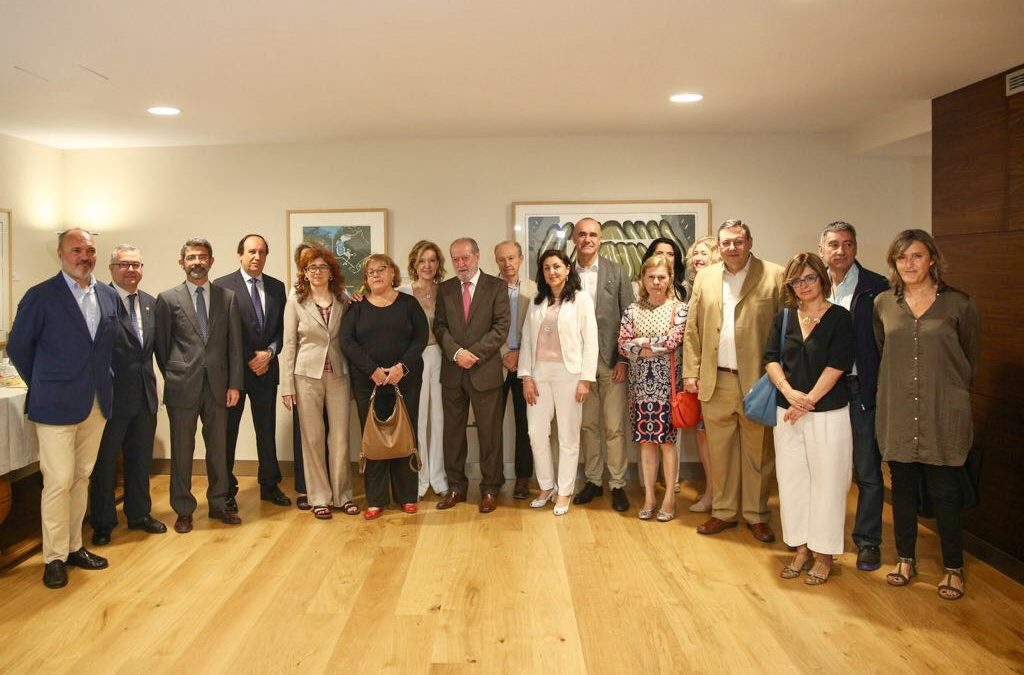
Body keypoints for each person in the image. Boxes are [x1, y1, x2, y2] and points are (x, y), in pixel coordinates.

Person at [7, 228, 119, 588]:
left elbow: (105, 349)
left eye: (89, 250)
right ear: (60, 254)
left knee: (81, 477)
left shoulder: (106, 295)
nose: (84, 256)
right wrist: (45, 381)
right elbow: (19, 349)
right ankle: (53, 557)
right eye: (76, 250)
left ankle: (74, 546)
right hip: (54, 404)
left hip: (96, 403)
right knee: (57, 481)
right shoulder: (40, 296)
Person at [874, 229, 980, 601]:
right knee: (901, 487)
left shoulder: (959, 305)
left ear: (932, 259)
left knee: (946, 491)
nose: (909, 264)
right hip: (899, 409)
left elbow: (969, 358)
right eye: (901, 258)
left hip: (943, 412)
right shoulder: (884, 304)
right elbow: (883, 349)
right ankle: (905, 559)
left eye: (917, 256)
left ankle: (953, 567)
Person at [682, 219, 785, 543]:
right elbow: (694, 329)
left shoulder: (774, 276)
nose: (731, 248)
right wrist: (691, 371)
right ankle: (724, 511)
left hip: (757, 381)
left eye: (738, 242)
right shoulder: (706, 276)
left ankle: (756, 515)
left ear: (750, 242)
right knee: (720, 451)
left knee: (759, 453)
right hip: (717, 380)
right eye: (726, 242)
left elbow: (785, 329)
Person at [765, 252, 854, 585]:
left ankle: (825, 553)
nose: (803, 285)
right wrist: (789, 393)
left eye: (809, 278)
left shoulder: (840, 318)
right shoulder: (784, 318)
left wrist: (808, 400)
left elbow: (838, 364)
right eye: (796, 280)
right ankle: (801, 548)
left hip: (828, 412)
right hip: (786, 412)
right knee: (791, 483)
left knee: (828, 484)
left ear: (822, 278)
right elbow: (771, 359)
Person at [154, 238, 244, 534]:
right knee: (182, 449)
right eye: (191, 257)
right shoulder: (168, 299)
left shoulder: (227, 297)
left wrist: (234, 384)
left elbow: (235, 346)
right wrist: (176, 375)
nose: (197, 262)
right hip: (183, 386)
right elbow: (162, 346)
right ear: (182, 262)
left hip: (219, 386)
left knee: (218, 449)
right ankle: (183, 509)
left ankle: (219, 504)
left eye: (202, 257)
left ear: (211, 261)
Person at [818, 221, 889, 571]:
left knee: (867, 471)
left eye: (847, 244)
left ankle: (867, 542)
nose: (840, 250)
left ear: (856, 248)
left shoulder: (877, 287)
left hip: (861, 389)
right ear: (822, 250)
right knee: (826, 469)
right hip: (823, 392)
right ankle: (823, 541)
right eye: (833, 244)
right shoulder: (811, 285)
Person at [88, 244, 166, 546]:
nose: (131, 270)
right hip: (111, 399)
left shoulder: (150, 303)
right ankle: (103, 522)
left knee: (139, 461)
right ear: (111, 269)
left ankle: (138, 514)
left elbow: (153, 352)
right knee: (105, 464)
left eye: (136, 264)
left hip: (145, 396)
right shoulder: (99, 301)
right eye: (124, 265)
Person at [341, 254, 429, 519]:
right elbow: (347, 342)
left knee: (405, 435)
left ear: (393, 273)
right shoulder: (356, 307)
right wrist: (373, 371)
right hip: (370, 384)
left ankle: (406, 496)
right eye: (370, 272)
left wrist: (402, 367)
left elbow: (421, 337)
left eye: (381, 269)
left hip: (405, 381)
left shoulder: (408, 304)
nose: (376, 275)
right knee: (374, 440)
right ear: (366, 279)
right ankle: (376, 499)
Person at [433, 237, 511, 513]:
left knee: (490, 434)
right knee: (452, 434)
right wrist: (456, 354)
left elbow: (501, 327)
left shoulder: (496, 287)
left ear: (477, 256)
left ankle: (490, 489)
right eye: (455, 259)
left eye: (465, 257)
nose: (461, 264)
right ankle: (456, 487)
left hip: (484, 371)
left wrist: (472, 354)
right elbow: (439, 327)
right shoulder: (445, 289)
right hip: (453, 372)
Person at [279, 246, 357, 520]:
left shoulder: (342, 298)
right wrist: (286, 386)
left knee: (340, 438)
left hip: (338, 374)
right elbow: (289, 345)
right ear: (305, 272)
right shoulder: (296, 300)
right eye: (311, 268)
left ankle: (342, 495)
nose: (317, 272)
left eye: (322, 267)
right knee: (312, 439)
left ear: (331, 271)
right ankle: (319, 497)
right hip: (306, 376)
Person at [214, 234, 290, 511]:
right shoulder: (222, 286)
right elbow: (221, 334)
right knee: (228, 433)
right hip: (234, 375)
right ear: (240, 255)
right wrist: (250, 358)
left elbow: (283, 330)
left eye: (262, 252)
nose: (257, 257)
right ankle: (226, 489)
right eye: (251, 252)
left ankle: (269, 485)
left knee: (265, 430)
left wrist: (269, 352)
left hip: (267, 370)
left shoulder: (277, 287)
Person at [518, 250, 598, 516]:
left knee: (568, 435)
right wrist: (526, 376)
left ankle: (564, 490)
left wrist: (586, 379)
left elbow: (591, 340)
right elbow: (527, 340)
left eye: (556, 267)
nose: (551, 272)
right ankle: (546, 486)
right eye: (546, 268)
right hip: (539, 373)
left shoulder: (581, 299)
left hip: (570, 373)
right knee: (536, 434)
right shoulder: (537, 301)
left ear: (567, 269)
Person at [571, 218, 635, 513]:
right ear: (574, 238)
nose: (587, 239)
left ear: (600, 239)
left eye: (593, 234)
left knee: (613, 426)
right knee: (588, 425)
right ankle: (594, 481)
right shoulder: (565, 272)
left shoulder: (617, 271)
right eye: (582, 234)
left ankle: (618, 484)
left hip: (611, 360)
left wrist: (623, 358)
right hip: (577, 364)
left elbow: (628, 318)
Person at [618, 254, 688, 521]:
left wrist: (641, 344)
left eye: (662, 277)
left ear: (670, 279)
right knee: (646, 444)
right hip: (639, 388)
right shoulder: (632, 310)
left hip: (667, 387)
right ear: (642, 280)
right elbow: (622, 344)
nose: (657, 282)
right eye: (651, 277)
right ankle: (649, 497)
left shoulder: (679, 309)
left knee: (668, 444)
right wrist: (647, 347)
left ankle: (669, 497)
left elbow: (673, 341)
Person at [398, 240, 450, 499]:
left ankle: (439, 478)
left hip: (440, 356)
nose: (427, 265)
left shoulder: (446, 291)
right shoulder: (403, 292)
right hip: (414, 359)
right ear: (414, 264)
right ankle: (419, 479)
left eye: (432, 260)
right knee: (417, 419)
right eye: (421, 260)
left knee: (439, 419)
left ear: (438, 264)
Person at [494, 240, 538, 500]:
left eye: (511, 258)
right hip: (496, 364)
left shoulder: (535, 289)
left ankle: (523, 478)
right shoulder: (488, 289)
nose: (507, 263)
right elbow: (484, 327)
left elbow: (540, 329)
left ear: (521, 259)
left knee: (525, 425)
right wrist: (504, 354)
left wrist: (521, 355)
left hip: (526, 366)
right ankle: (494, 476)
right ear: (496, 261)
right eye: (502, 259)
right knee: (492, 425)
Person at [684, 236, 721, 513]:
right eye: (695, 253)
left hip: (718, 375)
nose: (698, 257)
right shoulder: (688, 288)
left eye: (704, 252)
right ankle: (712, 491)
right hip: (694, 375)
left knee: (716, 437)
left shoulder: (720, 287)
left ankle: (719, 494)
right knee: (701, 434)